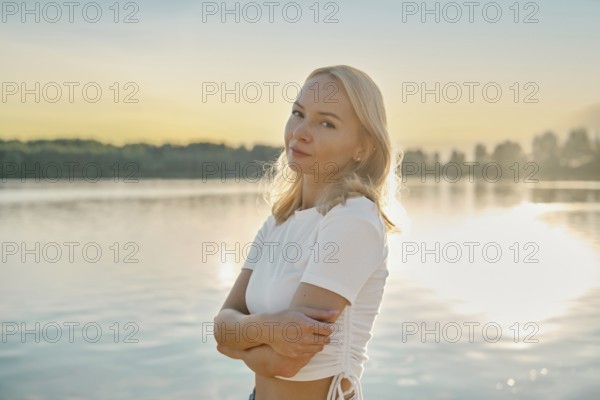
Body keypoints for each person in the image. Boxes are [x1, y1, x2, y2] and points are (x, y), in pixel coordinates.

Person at [213, 65, 404, 400]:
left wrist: (239, 340)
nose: (300, 131)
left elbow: (285, 364)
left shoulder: (354, 219)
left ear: (364, 147)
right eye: (298, 113)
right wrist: (269, 329)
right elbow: (220, 327)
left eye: (326, 122)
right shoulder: (278, 222)